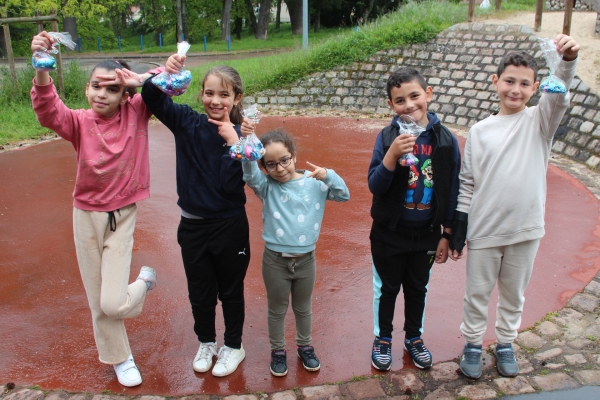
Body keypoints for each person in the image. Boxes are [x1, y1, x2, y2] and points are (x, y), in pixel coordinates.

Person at [30, 32, 159, 387]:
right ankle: (121, 357)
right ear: (87, 89)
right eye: (96, 86)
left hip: (122, 217)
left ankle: (143, 283)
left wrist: (138, 82)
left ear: (125, 95)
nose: (102, 94)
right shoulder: (79, 122)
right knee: (97, 300)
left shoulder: (137, 112)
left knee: (113, 303)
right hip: (85, 216)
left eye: (112, 88)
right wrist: (42, 64)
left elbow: (168, 84)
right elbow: (47, 109)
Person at [450, 34, 580, 379]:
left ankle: (506, 343)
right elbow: (467, 183)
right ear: (496, 82)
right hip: (485, 230)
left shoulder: (540, 122)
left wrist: (566, 62)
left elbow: (560, 93)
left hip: (525, 229)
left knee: (513, 294)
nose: (516, 89)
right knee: (476, 294)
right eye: (509, 80)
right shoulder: (480, 131)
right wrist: (459, 229)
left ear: (536, 87)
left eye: (525, 84)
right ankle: (474, 344)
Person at [115, 55, 250, 377]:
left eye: (224, 94)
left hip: (230, 225)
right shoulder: (186, 121)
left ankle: (234, 345)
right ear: (200, 93)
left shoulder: (246, 134)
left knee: (230, 291)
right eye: (209, 93)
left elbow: (251, 174)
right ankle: (206, 342)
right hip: (192, 225)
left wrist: (238, 140)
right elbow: (151, 97)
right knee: (200, 292)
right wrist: (166, 72)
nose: (215, 101)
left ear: (236, 98)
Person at [368, 67, 461, 370]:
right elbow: (376, 186)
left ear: (428, 94)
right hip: (389, 232)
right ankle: (382, 338)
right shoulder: (387, 137)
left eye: (414, 96)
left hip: (427, 233)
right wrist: (391, 156)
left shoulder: (444, 140)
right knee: (387, 288)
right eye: (399, 100)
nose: (408, 105)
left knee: (417, 288)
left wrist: (448, 234)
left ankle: (413, 337)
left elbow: (451, 189)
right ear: (390, 105)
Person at [240, 128, 350, 376]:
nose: (279, 168)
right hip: (275, 261)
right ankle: (278, 350)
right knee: (277, 309)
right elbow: (249, 174)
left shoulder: (315, 183)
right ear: (264, 167)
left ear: (294, 156)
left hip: (306, 261)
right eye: (270, 164)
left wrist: (327, 175)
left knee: (303, 308)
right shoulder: (266, 186)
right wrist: (248, 142)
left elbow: (344, 195)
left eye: (284, 160)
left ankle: (305, 346)